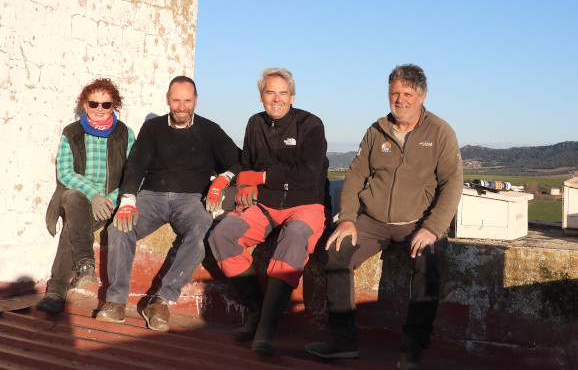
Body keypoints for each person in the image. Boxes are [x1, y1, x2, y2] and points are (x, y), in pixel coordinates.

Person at [305, 64, 463, 370]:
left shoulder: (440, 132)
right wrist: (348, 218)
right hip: (372, 221)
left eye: (407, 94)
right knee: (337, 251)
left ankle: (412, 349)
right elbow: (354, 176)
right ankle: (343, 340)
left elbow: (452, 184)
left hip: (417, 222)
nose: (400, 100)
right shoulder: (376, 130)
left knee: (426, 264)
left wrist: (432, 228)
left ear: (422, 96)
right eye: (395, 93)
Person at [95, 76, 242, 332]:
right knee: (119, 227)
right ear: (167, 100)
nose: (182, 106)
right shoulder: (152, 128)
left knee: (201, 233)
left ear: (196, 100)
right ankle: (115, 301)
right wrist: (128, 199)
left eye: (187, 100)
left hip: (191, 200)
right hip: (152, 197)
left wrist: (223, 179)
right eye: (176, 100)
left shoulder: (210, 130)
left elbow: (239, 160)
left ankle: (161, 301)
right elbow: (136, 164)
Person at [207, 67, 329, 356]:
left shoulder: (311, 124)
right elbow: (248, 163)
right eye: (270, 92)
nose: (277, 99)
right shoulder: (254, 123)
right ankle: (256, 312)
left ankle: (266, 329)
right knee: (222, 235)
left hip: (306, 204)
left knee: (294, 239)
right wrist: (243, 182)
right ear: (261, 96)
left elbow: (308, 174)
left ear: (292, 96)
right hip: (266, 205)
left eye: (283, 93)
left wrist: (259, 179)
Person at [38, 78, 135, 313]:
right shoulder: (71, 132)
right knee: (72, 198)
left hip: (109, 201)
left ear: (114, 106)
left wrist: (112, 198)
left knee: (73, 227)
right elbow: (65, 172)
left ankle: (58, 288)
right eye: (94, 104)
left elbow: (135, 172)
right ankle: (83, 261)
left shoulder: (125, 133)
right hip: (80, 196)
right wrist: (94, 195)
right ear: (84, 104)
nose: (100, 109)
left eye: (106, 104)